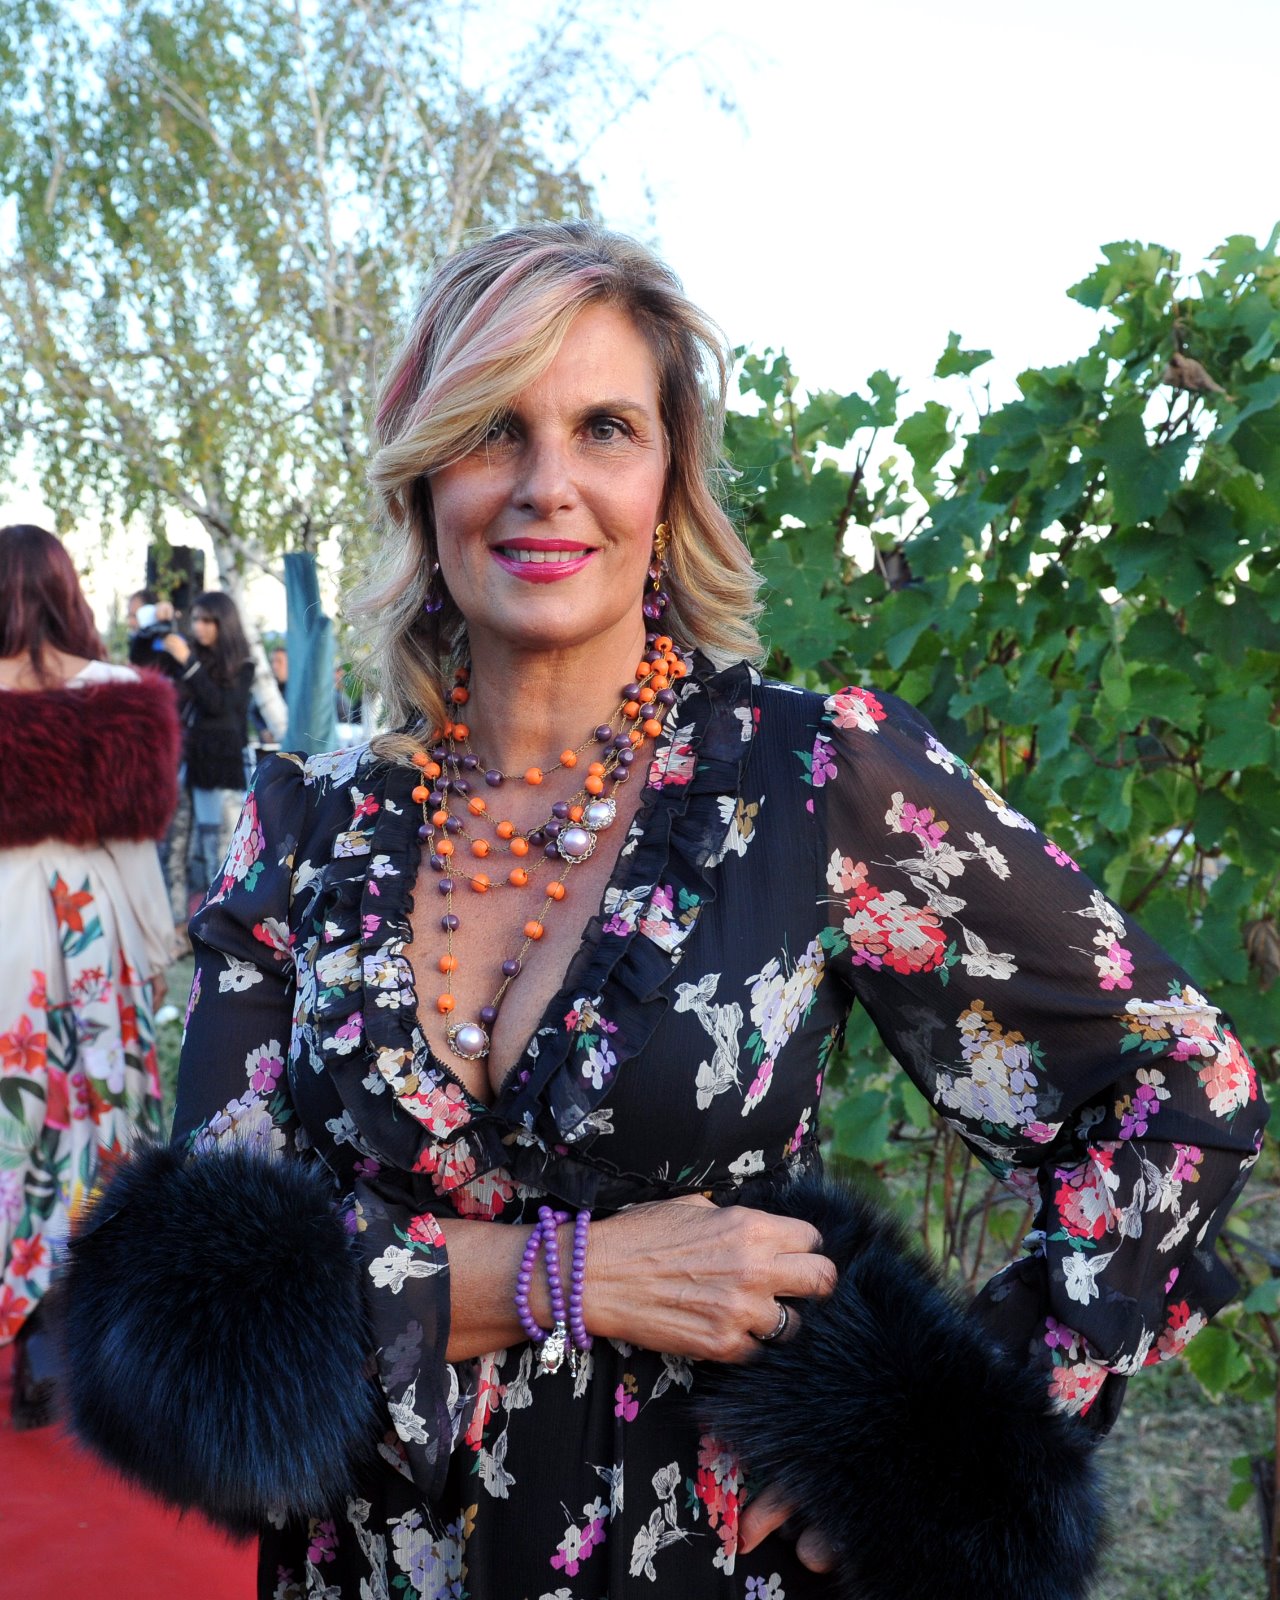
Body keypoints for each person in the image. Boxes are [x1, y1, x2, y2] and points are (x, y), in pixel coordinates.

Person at [64, 226, 1266, 1595]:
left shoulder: (813, 777)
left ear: (668, 478)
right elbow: (184, 1309)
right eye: (493, 429)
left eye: (605, 429)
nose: (547, 484)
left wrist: (933, 1451)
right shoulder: (302, 824)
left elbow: (1182, 1086)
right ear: (424, 473)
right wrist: (566, 1276)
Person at [0, 524, 178, 1427]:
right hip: (90, 932)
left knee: (13, 1123)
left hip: (6, 936)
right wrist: (156, 947)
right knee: (94, 1118)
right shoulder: (116, 695)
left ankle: (24, 1319)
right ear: (68, 591)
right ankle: (69, 1317)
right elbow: (135, 847)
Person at [158, 590, 254, 915]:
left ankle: (216, 925)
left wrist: (189, 663)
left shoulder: (242, 667)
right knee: (173, 850)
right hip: (186, 765)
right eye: (196, 619)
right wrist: (160, 626)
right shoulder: (189, 658)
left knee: (219, 854)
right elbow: (150, 667)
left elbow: (220, 707)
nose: (199, 626)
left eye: (207, 620)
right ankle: (174, 922)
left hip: (219, 771)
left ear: (223, 623)